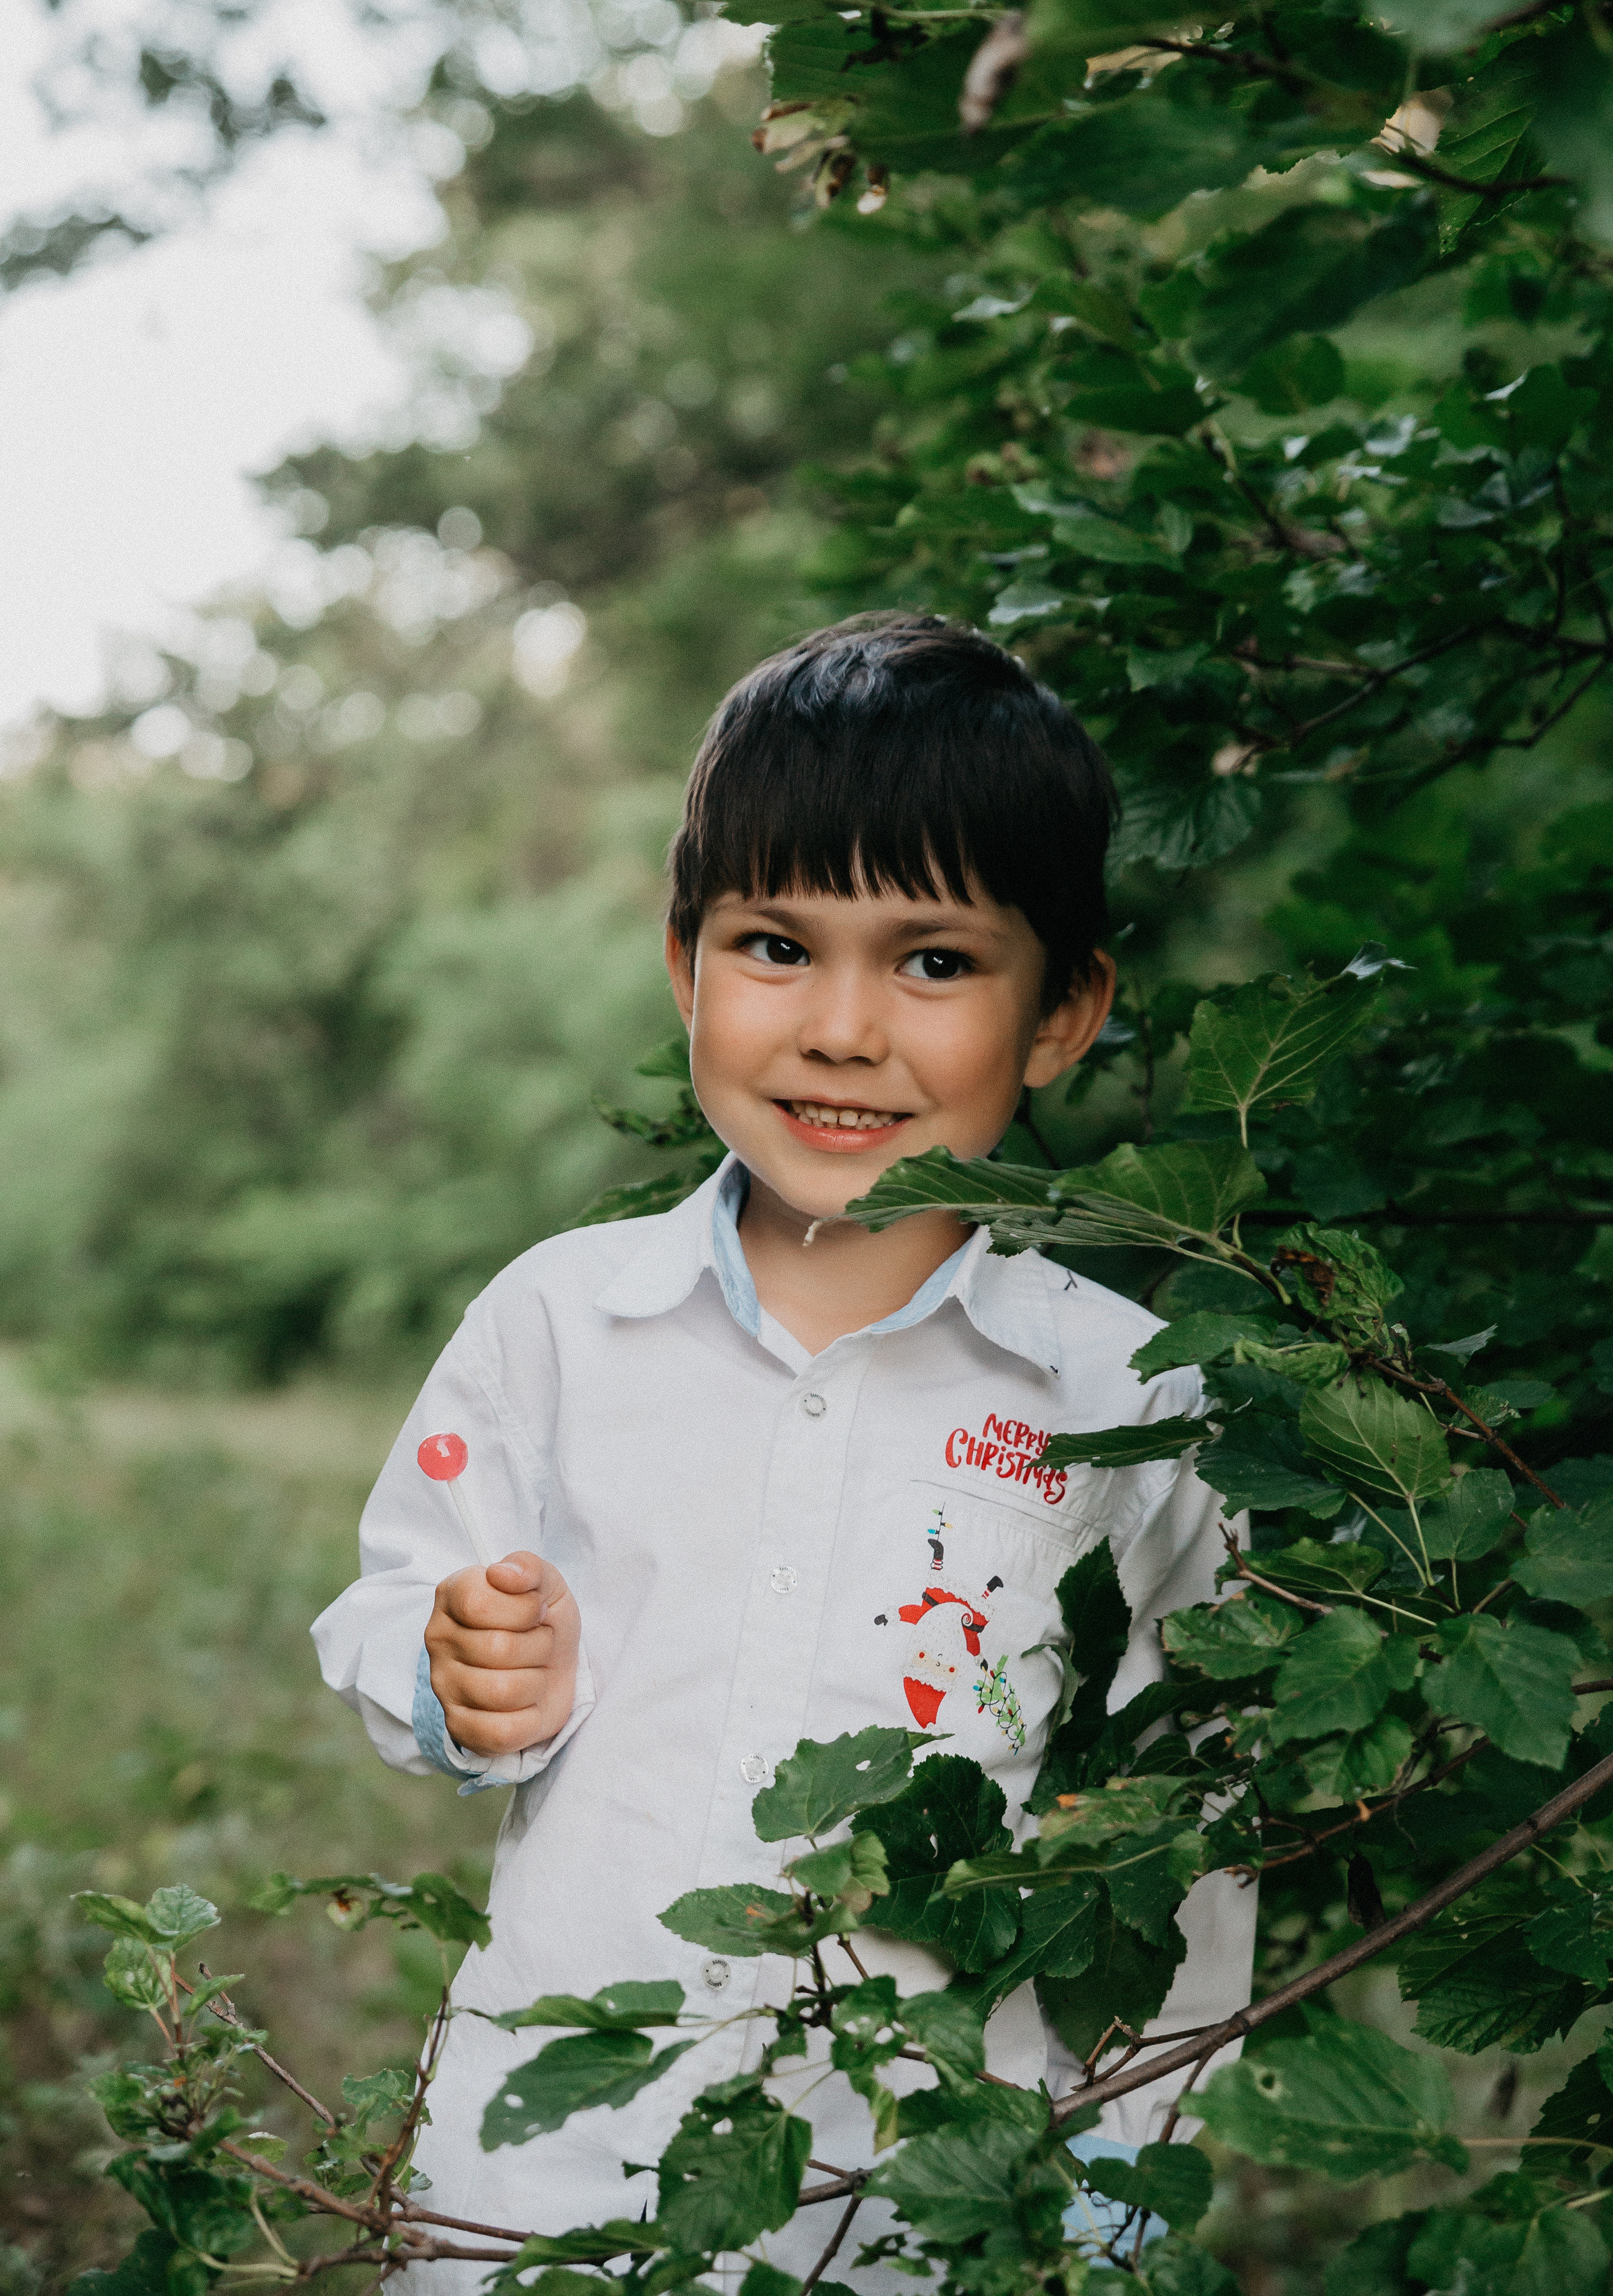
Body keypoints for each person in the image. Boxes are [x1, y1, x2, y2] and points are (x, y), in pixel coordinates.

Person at [311, 611, 1254, 2284]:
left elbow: (1190, 1824)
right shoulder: (560, 1322)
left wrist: (1113, 2194)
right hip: (540, 2175)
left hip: (925, 2198)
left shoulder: (1132, 1399)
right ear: (683, 962)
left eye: (937, 961)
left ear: (1064, 1013)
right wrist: (454, 1671)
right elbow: (399, 1603)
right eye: (774, 944)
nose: (841, 1026)